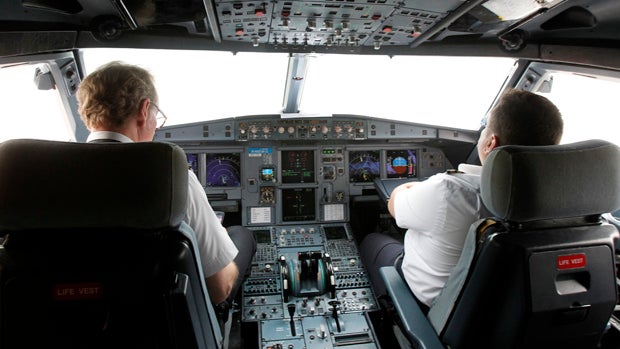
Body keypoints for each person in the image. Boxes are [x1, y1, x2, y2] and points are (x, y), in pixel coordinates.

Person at [360, 88, 564, 311]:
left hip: (433, 309)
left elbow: (394, 205)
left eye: (485, 127)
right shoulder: (567, 202)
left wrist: (413, 186)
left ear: (490, 144)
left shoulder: (448, 191)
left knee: (372, 241)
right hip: (504, 310)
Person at [76, 61, 256, 308]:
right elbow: (219, 288)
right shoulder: (169, 172)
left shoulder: (37, 176)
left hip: (71, 320)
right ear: (144, 109)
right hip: (165, 324)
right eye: (155, 115)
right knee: (242, 235)